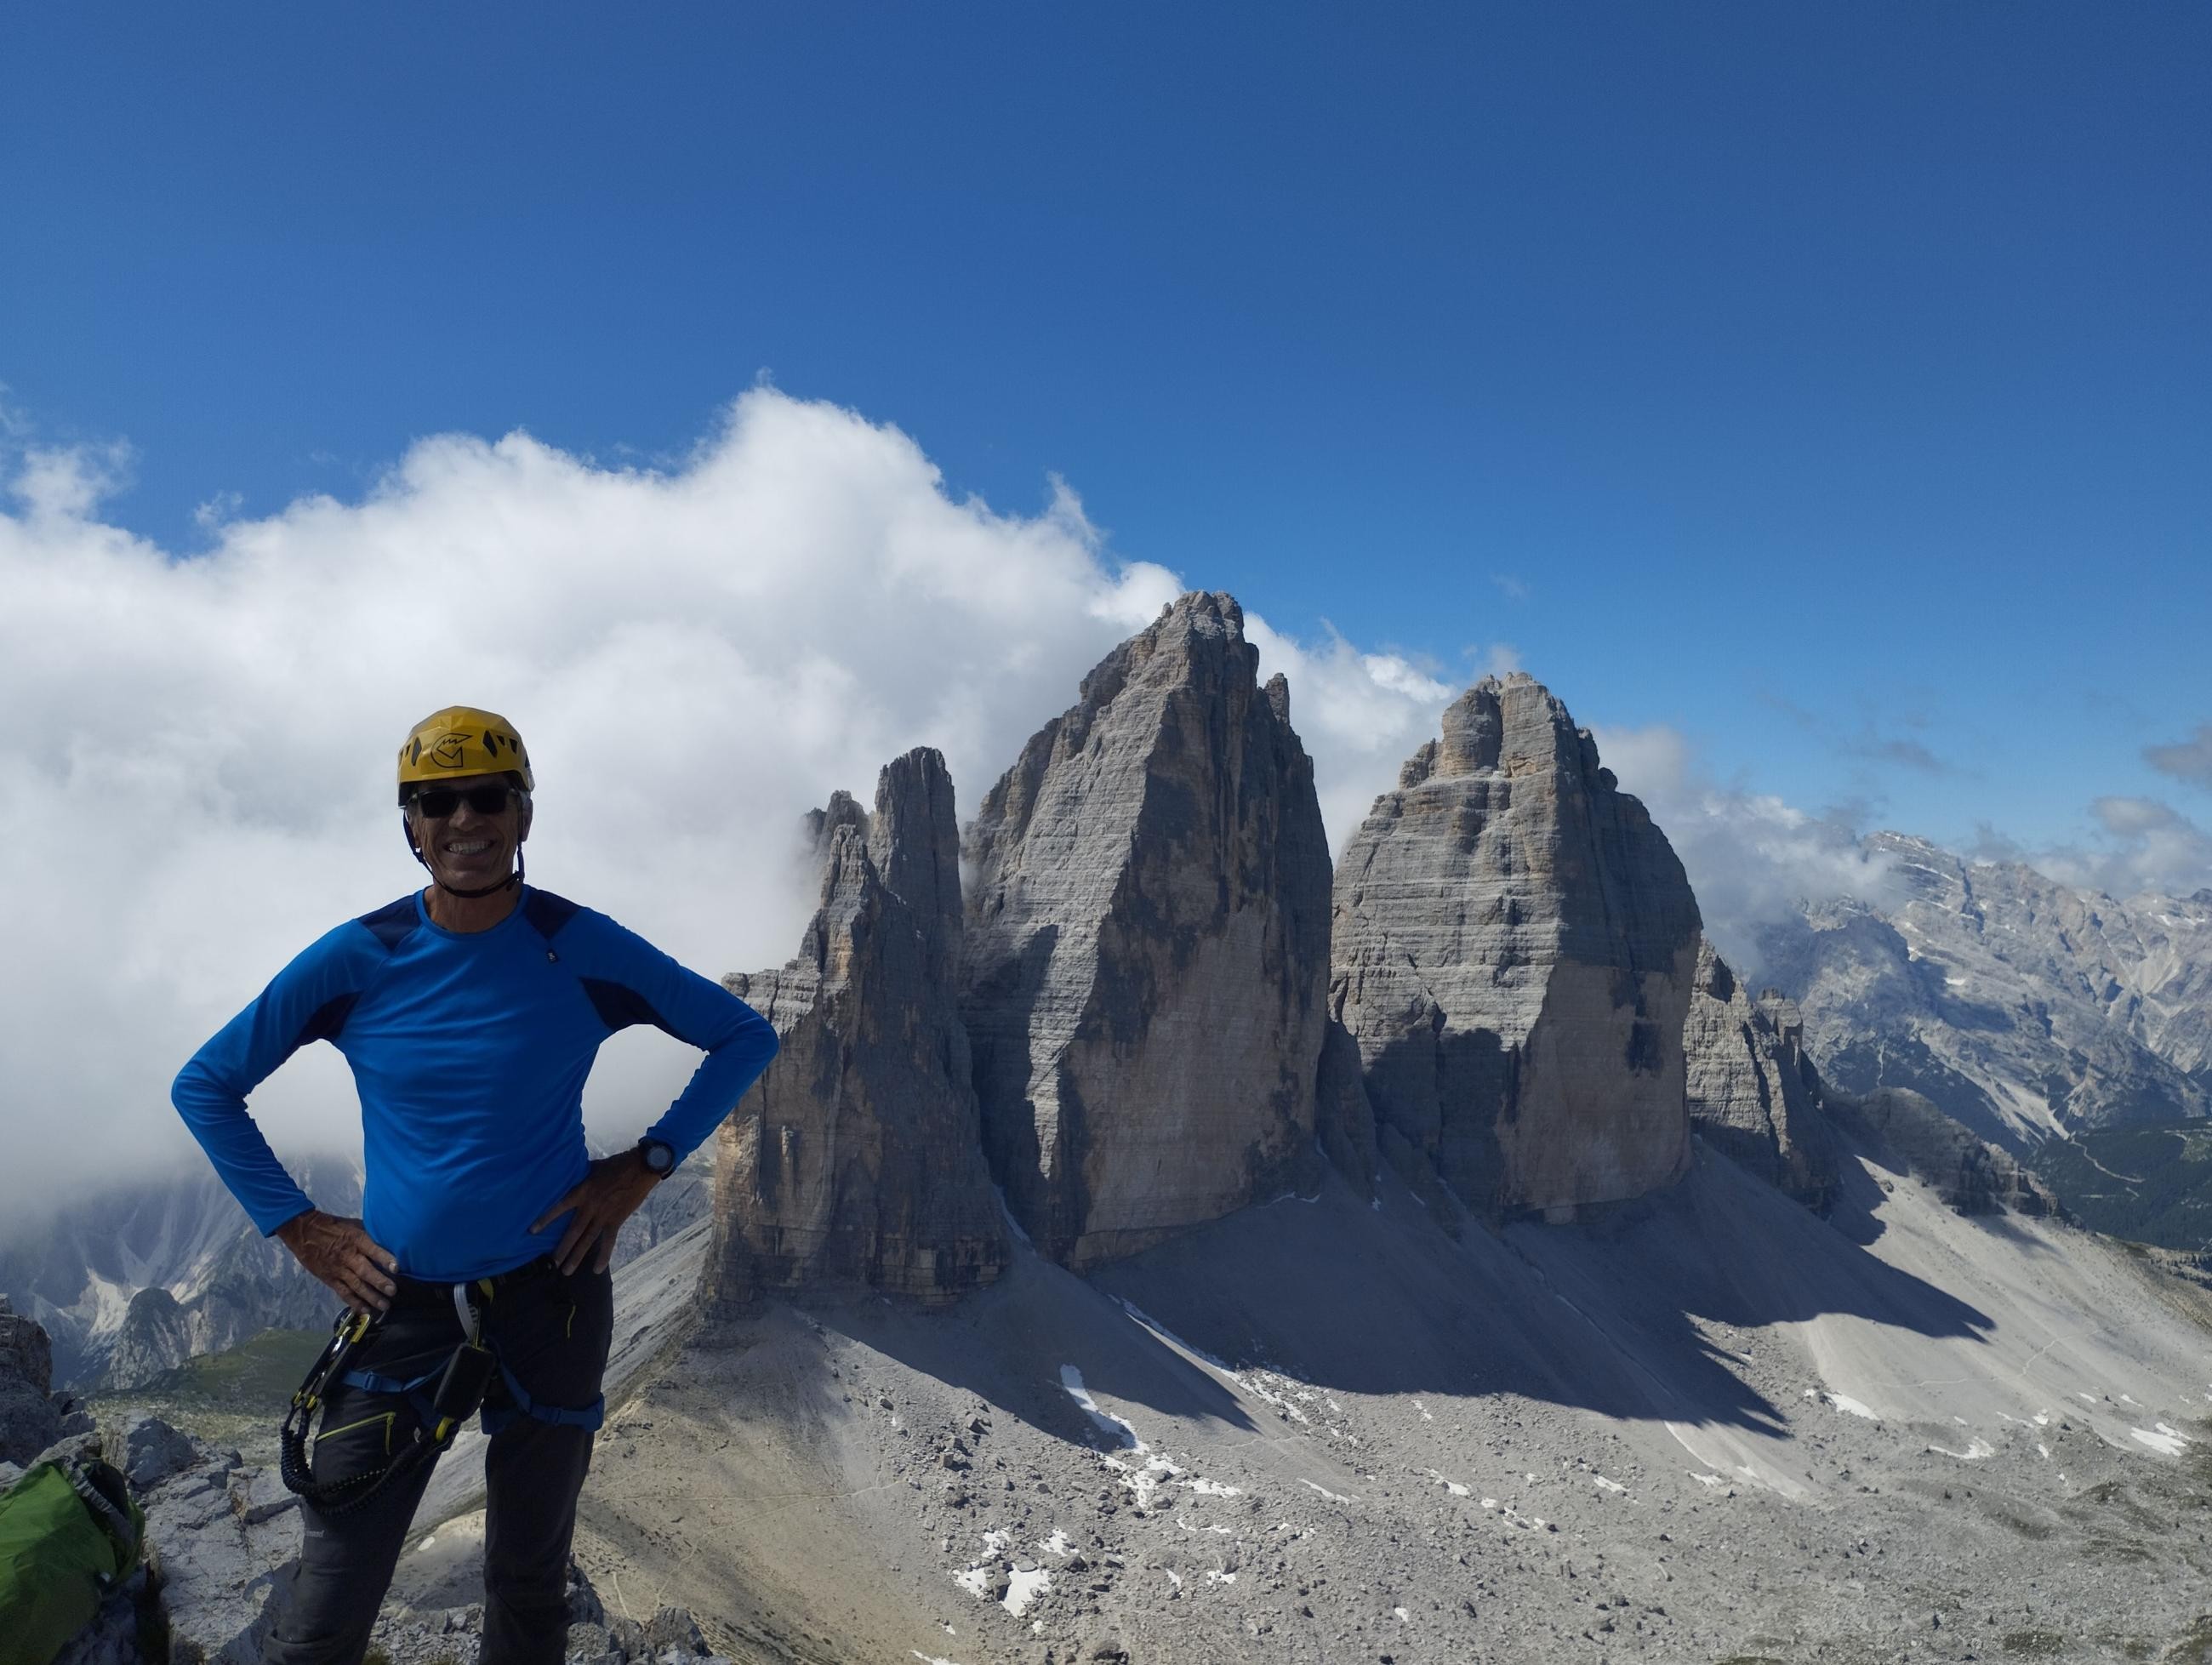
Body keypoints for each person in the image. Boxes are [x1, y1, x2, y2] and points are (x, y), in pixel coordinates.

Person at [171, 706, 778, 1665]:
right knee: (330, 1600)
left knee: (529, 1584)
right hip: (400, 1302)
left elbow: (746, 1034)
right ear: (409, 824)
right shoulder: (359, 957)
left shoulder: (578, 945)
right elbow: (204, 1084)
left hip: (556, 1295)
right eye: (435, 802)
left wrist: (645, 1165)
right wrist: (299, 1227)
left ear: (522, 813)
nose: (464, 821)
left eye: (486, 797)